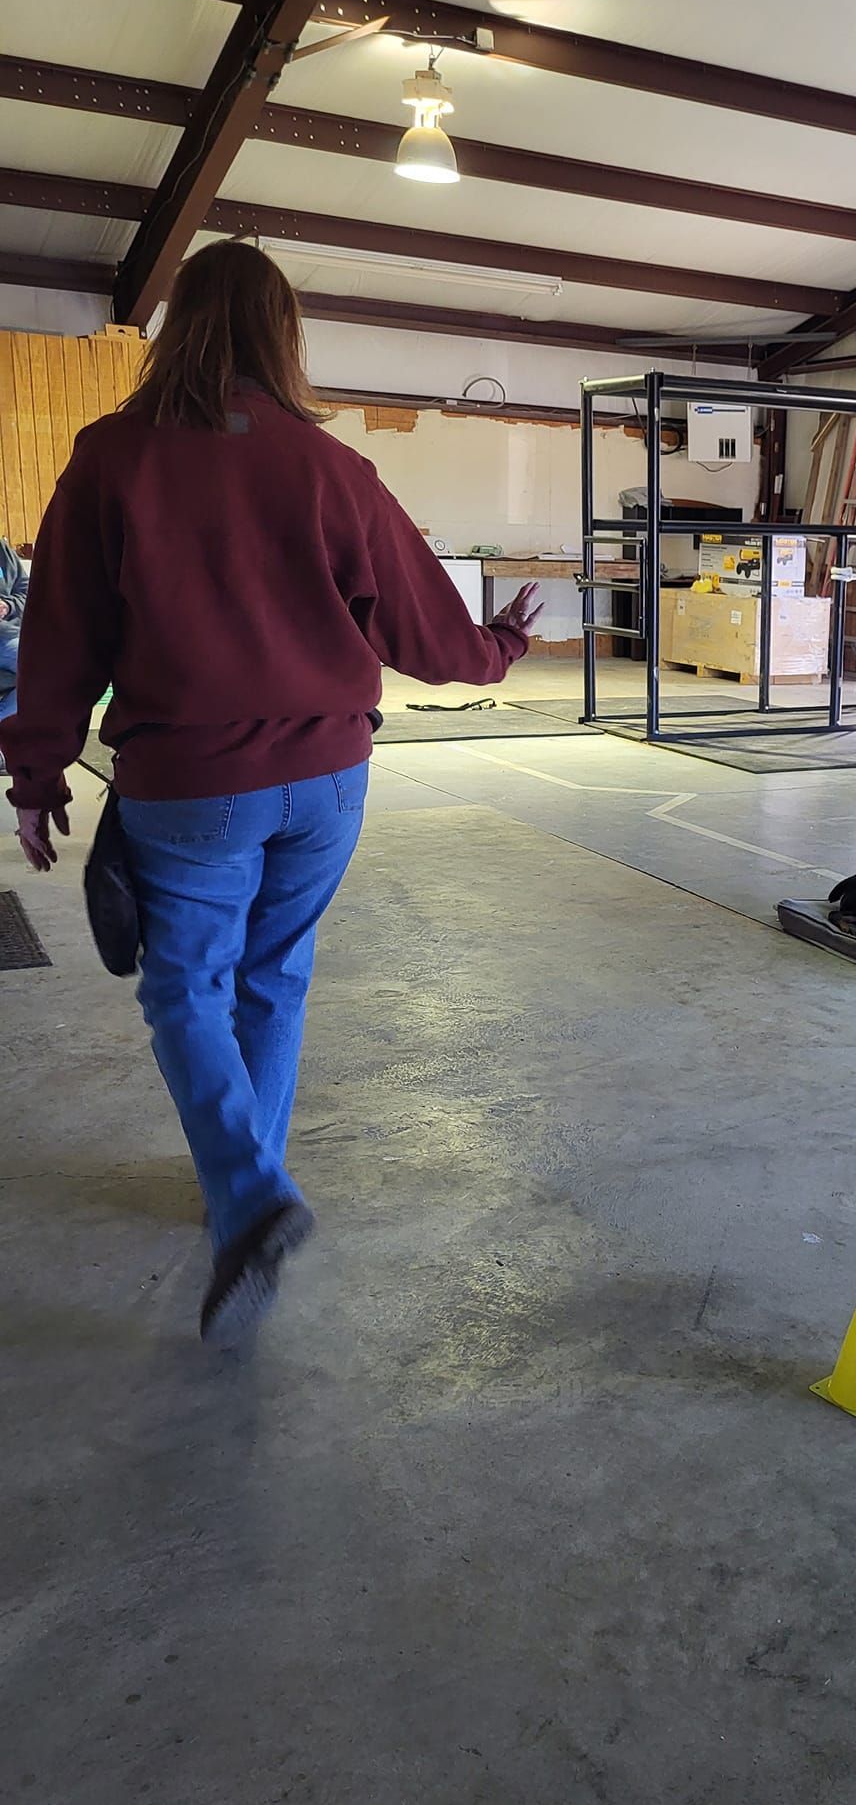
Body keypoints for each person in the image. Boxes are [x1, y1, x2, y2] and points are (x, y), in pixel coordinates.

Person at [0, 241, 544, 1346]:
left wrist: (38, 767)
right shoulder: (332, 468)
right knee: (274, 979)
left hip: (193, 782)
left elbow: (60, 632)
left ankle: (249, 1196)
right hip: (328, 781)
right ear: (283, 336)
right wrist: (498, 648)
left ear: (178, 328)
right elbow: (421, 626)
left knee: (183, 990)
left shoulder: (113, 459)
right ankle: (244, 1180)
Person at [0, 536, 26, 738]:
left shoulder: (3, 550)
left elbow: (27, 592)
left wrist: (8, 606)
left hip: (7, 637)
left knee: (46, 670)